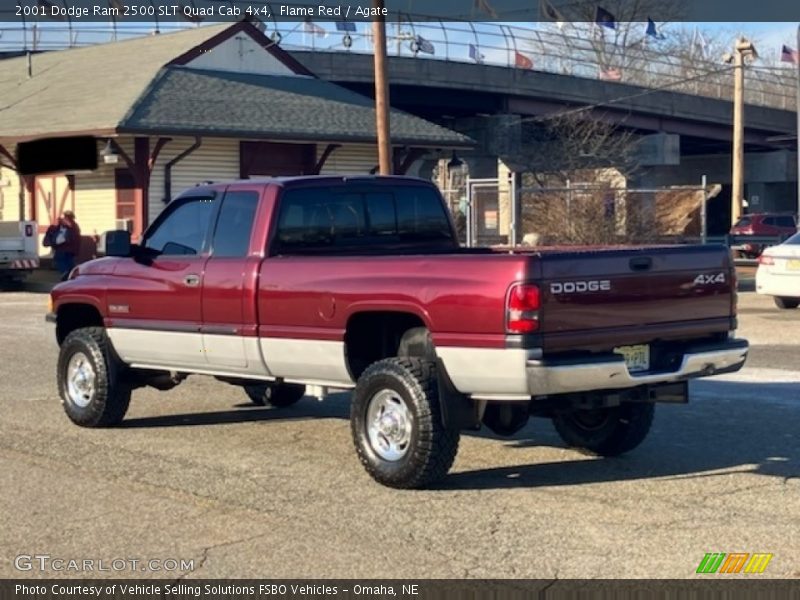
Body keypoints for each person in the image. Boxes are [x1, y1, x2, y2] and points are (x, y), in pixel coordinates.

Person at [47, 211, 81, 281]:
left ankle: (66, 273)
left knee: (60, 260)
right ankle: (71, 275)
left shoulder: (70, 225)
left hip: (64, 248)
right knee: (69, 262)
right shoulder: (74, 226)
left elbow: (71, 236)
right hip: (71, 249)